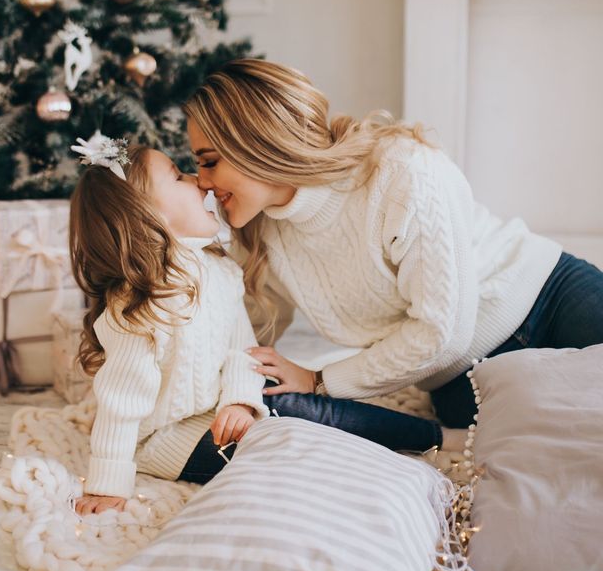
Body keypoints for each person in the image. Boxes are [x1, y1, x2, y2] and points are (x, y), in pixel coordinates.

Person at [185, 58, 603, 430]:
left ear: (258, 143)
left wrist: (321, 380)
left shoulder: (400, 170)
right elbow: (243, 331)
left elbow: (443, 332)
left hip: (550, 302)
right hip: (459, 379)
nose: (202, 182)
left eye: (209, 162)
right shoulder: (260, 232)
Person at [69, 131, 458, 516]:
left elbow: (242, 349)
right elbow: (121, 404)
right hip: (171, 438)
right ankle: (394, 473)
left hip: (220, 409)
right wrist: (107, 485)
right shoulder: (139, 307)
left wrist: (240, 401)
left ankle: (438, 439)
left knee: (297, 403)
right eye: (177, 176)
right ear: (145, 216)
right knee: (292, 447)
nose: (197, 180)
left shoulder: (219, 271)